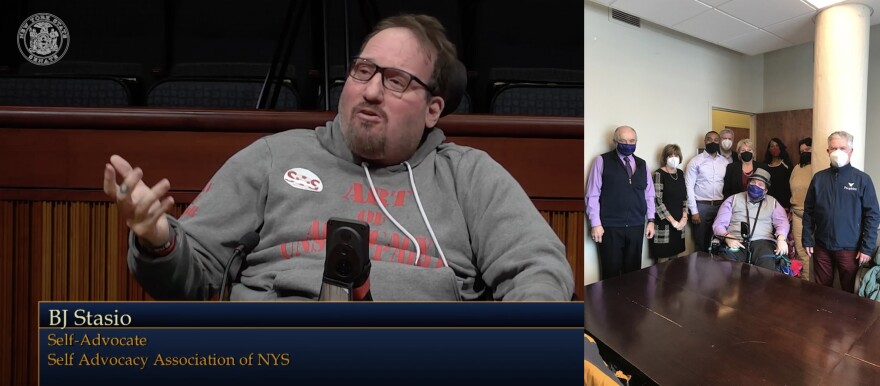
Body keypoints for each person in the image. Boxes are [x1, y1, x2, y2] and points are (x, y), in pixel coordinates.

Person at [101, 14, 574, 301]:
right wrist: (157, 238)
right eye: (363, 70)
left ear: (433, 110)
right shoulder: (274, 156)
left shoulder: (469, 176)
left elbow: (538, 267)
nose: (369, 91)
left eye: (395, 80)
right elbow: (188, 275)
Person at [803, 131, 880, 293]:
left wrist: (867, 247)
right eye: (833, 148)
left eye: (843, 148)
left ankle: (847, 319)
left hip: (850, 248)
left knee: (850, 292)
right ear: (828, 151)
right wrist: (807, 239)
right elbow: (809, 210)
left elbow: (872, 215)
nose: (837, 152)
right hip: (822, 246)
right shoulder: (819, 178)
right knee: (821, 290)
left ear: (851, 151)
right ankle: (823, 317)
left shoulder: (862, 180)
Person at [586, 125, 656, 280]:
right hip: (610, 227)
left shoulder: (642, 164)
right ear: (615, 141)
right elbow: (592, 194)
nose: (628, 144)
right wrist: (595, 223)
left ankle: (630, 304)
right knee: (610, 274)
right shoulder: (602, 161)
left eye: (632, 141)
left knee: (633, 273)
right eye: (623, 140)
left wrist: (651, 220)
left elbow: (649, 195)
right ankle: (609, 304)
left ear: (636, 141)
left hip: (636, 226)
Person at [712, 168, 789, 270]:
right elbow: (718, 225)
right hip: (736, 240)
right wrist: (727, 237)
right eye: (753, 182)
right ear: (748, 184)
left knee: (767, 268)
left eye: (760, 184)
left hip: (762, 242)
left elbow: (782, 222)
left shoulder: (773, 202)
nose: (755, 186)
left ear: (765, 190)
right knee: (726, 267)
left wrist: (781, 238)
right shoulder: (733, 199)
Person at [685, 131, 731, 253]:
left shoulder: (725, 163)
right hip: (702, 207)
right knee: (701, 243)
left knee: (718, 242)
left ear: (719, 142)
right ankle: (699, 271)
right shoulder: (695, 161)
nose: (713, 142)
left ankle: (714, 270)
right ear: (705, 142)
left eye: (716, 140)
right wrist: (694, 211)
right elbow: (688, 186)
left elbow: (728, 185)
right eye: (709, 139)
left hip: (720, 206)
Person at [649, 144, 687, 262]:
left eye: (676, 155)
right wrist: (673, 222)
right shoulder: (659, 174)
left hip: (680, 223)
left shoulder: (680, 174)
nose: (674, 158)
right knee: (663, 261)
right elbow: (657, 201)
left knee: (676, 260)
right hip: (664, 224)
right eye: (670, 155)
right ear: (665, 157)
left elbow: (685, 197)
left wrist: (684, 218)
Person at [789, 137, 812, 280]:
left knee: (813, 252)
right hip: (797, 214)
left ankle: (813, 285)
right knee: (800, 251)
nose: (804, 152)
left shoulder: (819, 166)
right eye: (801, 151)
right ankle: (805, 283)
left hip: (813, 216)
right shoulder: (797, 168)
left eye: (807, 150)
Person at [763, 137, 793, 210]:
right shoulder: (764, 165)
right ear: (769, 149)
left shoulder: (787, 164)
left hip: (784, 203)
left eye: (777, 145)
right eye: (772, 146)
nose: (775, 148)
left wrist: (789, 205)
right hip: (768, 203)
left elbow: (791, 184)